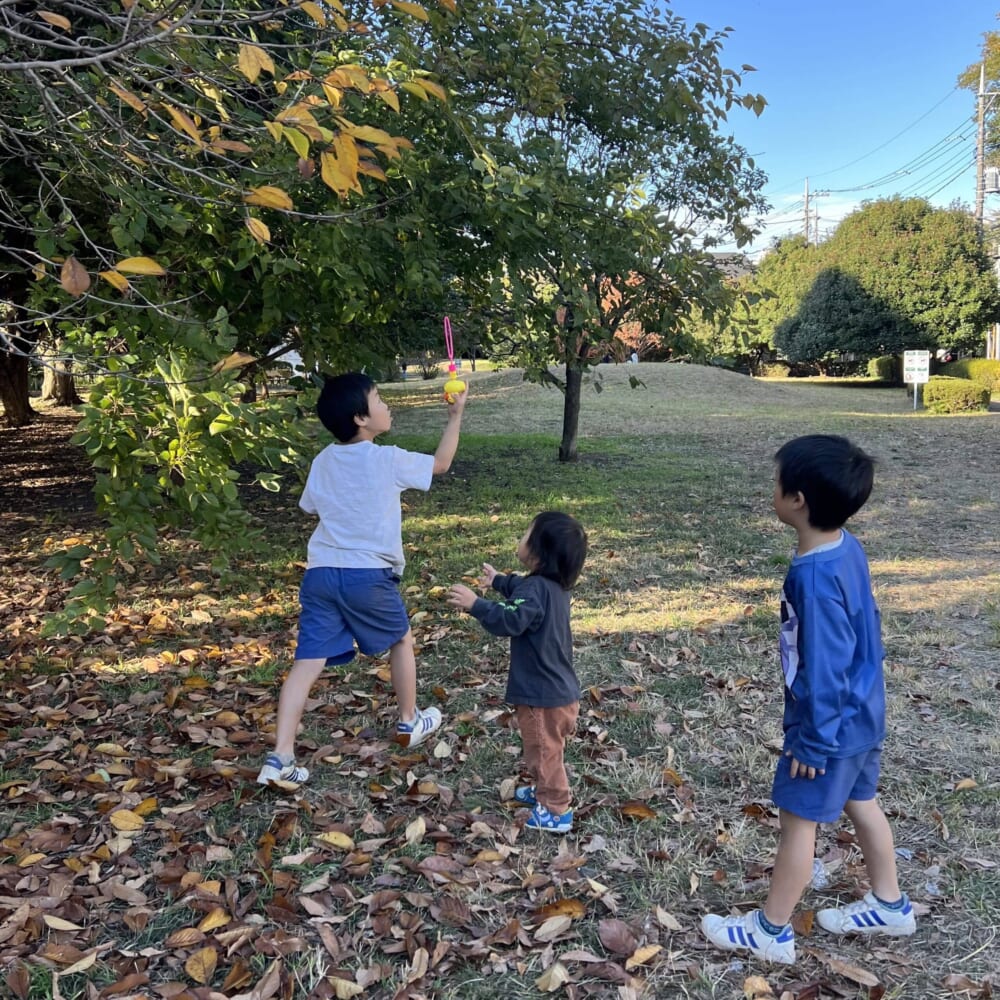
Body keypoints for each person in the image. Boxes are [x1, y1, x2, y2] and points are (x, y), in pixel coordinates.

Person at [701, 435, 915, 965]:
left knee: (798, 823)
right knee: (861, 802)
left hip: (829, 726)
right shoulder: (845, 545)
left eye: (775, 483)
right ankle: (891, 904)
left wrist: (814, 741)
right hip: (863, 714)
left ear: (796, 500)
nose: (770, 490)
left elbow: (825, 667)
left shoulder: (814, 578)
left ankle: (771, 930)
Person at [257, 372, 467, 785]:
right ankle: (410, 720)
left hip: (320, 575)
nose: (385, 405)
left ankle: (280, 756)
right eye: (378, 399)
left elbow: (309, 507)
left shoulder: (322, 460)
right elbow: (441, 464)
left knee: (307, 662)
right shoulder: (385, 459)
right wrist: (455, 416)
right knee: (401, 638)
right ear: (360, 418)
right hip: (366, 575)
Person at [447, 512, 588, 834]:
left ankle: (556, 808)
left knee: (543, 752)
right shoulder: (550, 587)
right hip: (560, 691)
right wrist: (498, 580)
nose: (521, 538)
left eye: (526, 533)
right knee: (546, 747)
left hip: (542, 695)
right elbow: (520, 588)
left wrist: (476, 604)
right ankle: (544, 791)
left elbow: (511, 619)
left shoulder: (535, 590)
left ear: (538, 551)